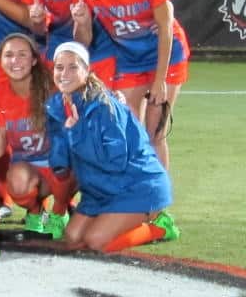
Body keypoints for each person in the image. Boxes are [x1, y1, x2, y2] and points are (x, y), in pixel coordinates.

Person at [71, 0, 190, 168]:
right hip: (130, 57)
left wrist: (159, 80)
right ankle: (136, 196)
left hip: (166, 55)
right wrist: (81, 22)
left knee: (155, 131)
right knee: (129, 130)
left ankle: (158, 206)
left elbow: (166, 28)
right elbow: (84, 41)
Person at [46, 42, 178, 252]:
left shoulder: (105, 106)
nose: (65, 74)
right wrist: (59, 162)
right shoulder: (56, 107)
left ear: (87, 71)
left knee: (97, 242)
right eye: (59, 67)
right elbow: (60, 162)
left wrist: (74, 134)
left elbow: (115, 161)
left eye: (73, 67)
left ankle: (160, 227)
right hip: (100, 189)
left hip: (135, 185)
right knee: (73, 238)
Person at [0, 33, 74, 240]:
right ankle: (35, 212)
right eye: (9, 55)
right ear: (0, 61)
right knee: (17, 182)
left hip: (61, 166)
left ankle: (60, 210)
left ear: (33, 60)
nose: (15, 61)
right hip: (30, 168)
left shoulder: (53, 87)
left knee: (73, 159)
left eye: (22, 55)